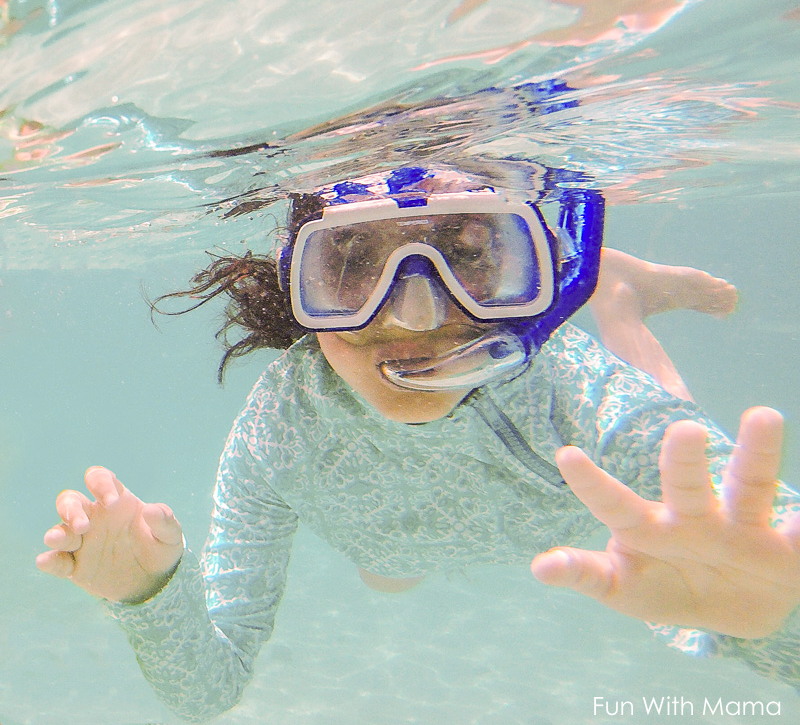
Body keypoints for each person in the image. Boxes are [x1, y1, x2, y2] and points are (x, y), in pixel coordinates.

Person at [37, 166, 799, 723]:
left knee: (680, 454)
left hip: (564, 516)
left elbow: (749, 531)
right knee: (390, 573)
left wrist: (778, 617)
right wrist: (146, 595)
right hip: (392, 546)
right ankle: (607, 283)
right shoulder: (282, 431)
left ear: (528, 274)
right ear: (304, 285)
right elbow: (208, 690)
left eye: (468, 253)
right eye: (351, 262)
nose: (412, 312)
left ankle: (617, 299)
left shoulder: (567, 386)